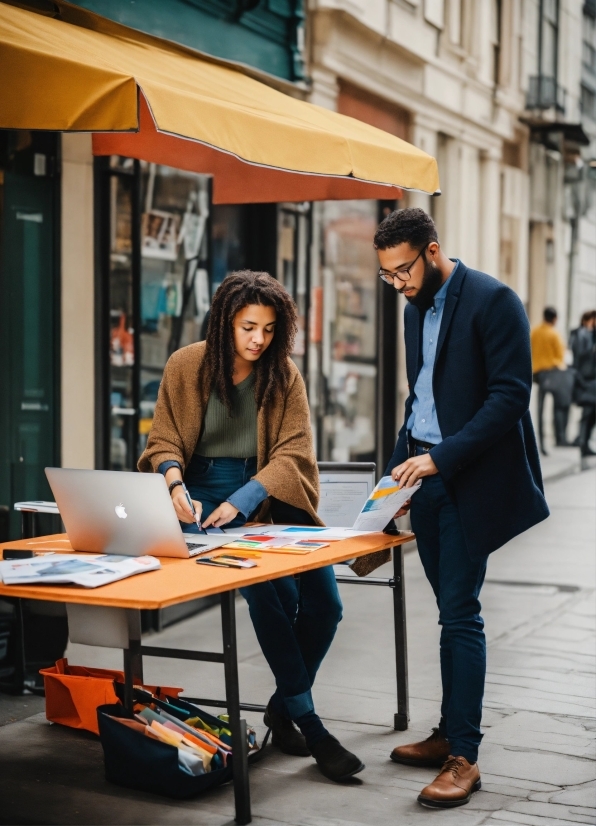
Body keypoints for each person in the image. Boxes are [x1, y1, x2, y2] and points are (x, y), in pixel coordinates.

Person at [138, 270, 364, 783]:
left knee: (326, 603)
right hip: (200, 503)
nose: (259, 339)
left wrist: (246, 498)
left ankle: (280, 710)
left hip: (267, 497)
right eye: (247, 327)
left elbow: (293, 453)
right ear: (224, 323)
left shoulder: (284, 375)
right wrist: (175, 488)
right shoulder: (185, 364)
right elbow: (163, 441)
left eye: (267, 328)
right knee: (269, 598)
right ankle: (308, 721)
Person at [374, 209, 549, 809]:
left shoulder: (495, 301)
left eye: (403, 270)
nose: (397, 283)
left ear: (432, 250)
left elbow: (510, 397)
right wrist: (392, 481)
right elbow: (418, 399)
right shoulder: (412, 309)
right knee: (448, 610)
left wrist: (441, 460)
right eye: (387, 276)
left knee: (460, 613)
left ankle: (464, 757)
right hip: (421, 479)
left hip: (466, 480)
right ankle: (449, 730)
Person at [530, 307, 570, 453]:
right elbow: (560, 357)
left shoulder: (534, 331)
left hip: (537, 374)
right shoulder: (554, 334)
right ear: (554, 318)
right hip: (552, 374)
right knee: (557, 406)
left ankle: (539, 444)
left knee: (539, 410)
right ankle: (558, 437)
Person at [570, 310, 596, 457]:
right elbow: (579, 357)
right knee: (587, 413)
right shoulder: (579, 334)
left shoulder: (592, 335)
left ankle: (583, 441)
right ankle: (582, 443)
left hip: (592, 380)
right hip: (584, 379)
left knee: (591, 413)